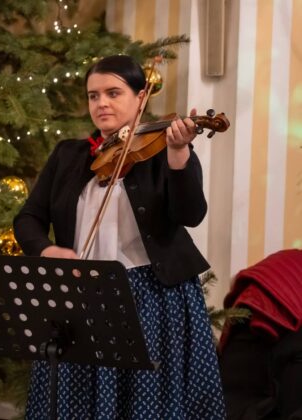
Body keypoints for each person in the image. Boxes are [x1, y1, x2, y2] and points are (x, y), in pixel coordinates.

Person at [13, 55, 226, 419]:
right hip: (82, 292)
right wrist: (47, 250)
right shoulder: (69, 155)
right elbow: (28, 218)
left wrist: (178, 153)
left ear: (140, 97)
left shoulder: (161, 150)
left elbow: (190, 214)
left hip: (153, 297)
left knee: (148, 404)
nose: (102, 103)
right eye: (93, 95)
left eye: (113, 93)